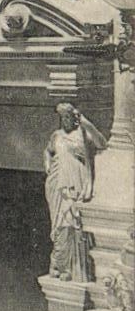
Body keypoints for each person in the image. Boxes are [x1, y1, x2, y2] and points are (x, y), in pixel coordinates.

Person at [44, 103, 107, 280]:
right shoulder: (56, 136)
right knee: (58, 224)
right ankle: (60, 263)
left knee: (70, 223)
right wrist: (47, 163)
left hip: (76, 186)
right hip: (58, 186)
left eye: (68, 117)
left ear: (75, 119)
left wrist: (86, 124)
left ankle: (68, 267)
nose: (65, 121)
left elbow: (101, 143)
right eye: (62, 118)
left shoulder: (82, 134)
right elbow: (48, 152)